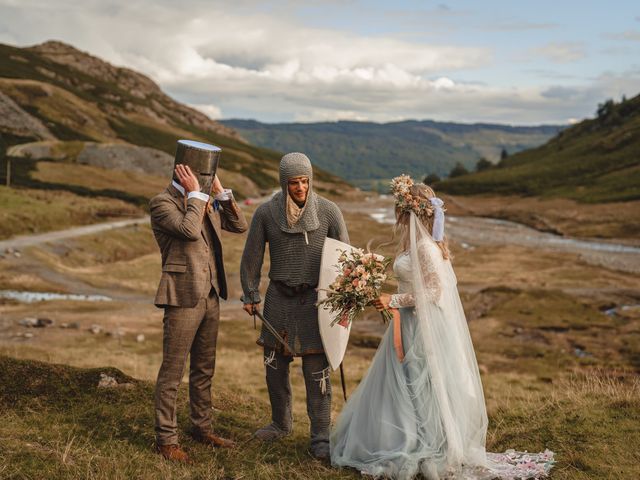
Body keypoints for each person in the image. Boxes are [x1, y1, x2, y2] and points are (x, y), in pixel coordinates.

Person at [330, 176, 555, 479]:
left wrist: (392, 298)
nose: (397, 214)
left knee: (420, 384)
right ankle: (406, 437)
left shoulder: (424, 247)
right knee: (406, 384)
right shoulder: (419, 244)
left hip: (420, 328)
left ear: (408, 211)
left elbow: (435, 292)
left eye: (399, 208)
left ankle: (422, 443)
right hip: (408, 323)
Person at [240, 152, 349, 460]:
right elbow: (251, 257)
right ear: (283, 182)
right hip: (278, 299)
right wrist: (250, 293)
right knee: (274, 368)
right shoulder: (265, 213)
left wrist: (347, 298)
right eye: (293, 182)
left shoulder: (329, 211)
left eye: (304, 181)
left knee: (317, 375)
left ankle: (320, 437)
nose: (300, 188)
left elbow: (346, 257)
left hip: (316, 302)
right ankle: (280, 423)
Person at [150, 140, 248, 463]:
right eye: (204, 174)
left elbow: (239, 225)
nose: (208, 178)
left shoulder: (205, 198)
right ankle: (166, 439)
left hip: (210, 295)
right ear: (185, 170)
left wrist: (220, 193)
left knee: (204, 369)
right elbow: (190, 231)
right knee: (172, 371)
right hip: (182, 296)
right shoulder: (162, 203)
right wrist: (196, 196)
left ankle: (201, 428)